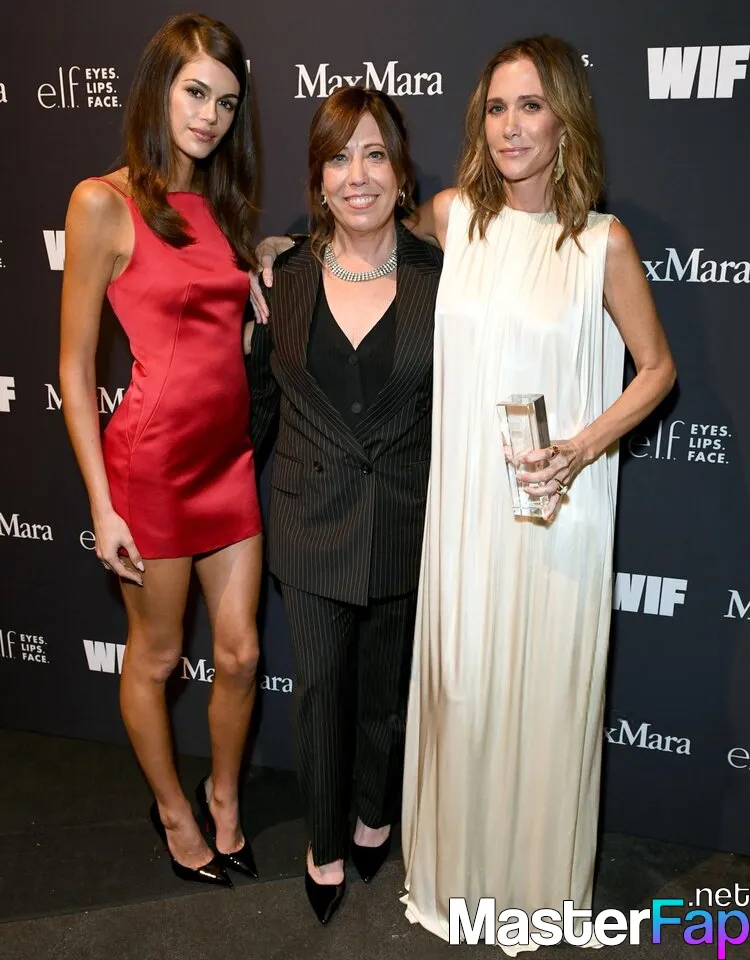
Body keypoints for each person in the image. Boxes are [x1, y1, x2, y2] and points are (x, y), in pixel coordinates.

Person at [397, 36, 675, 950]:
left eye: (530, 106)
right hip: (467, 511)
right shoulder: (452, 218)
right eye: (495, 108)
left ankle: (534, 893)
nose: (510, 127)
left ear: (565, 121)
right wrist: (278, 252)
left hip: (558, 510)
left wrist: (581, 448)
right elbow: (359, 234)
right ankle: (458, 879)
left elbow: (657, 369)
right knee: (465, 692)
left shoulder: (602, 243)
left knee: (545, 702)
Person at [59, 13, 263, 887]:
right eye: (195, 93)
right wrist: (102, 506)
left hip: (229, 461)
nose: (210, 116)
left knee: (241, 653)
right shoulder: (102, 202)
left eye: (226, 102)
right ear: (158, 90)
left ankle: (224, 797)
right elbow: (73, 367)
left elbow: (219, 299)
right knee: (156, 655)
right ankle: (175, 811)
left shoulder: (225, 205)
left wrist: (263, 262)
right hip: (154, 469)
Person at [246, 86, 442, 924]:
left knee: (384, 691)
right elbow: (257, 407)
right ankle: (323, 842)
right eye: (337, 158)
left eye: (374, 155)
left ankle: (373, 814)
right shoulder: (280, 276)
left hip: (403, 515)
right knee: (321, 689)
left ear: (402, 174)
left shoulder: (442, 276)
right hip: (310, 516)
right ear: (317, 180)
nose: (356, 175)